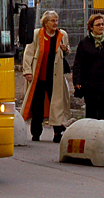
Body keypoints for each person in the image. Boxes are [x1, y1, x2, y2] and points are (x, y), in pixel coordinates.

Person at [21, 10, 71, 142]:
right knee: (37, 105)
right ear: (45, 22)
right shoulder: (37, 34)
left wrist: (66, 49)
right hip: (39, 76)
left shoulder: (62, 35)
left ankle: (57, 133)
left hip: (55, 77)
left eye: (56, 20)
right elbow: (28, 53)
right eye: (52, 21)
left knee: (57, 104)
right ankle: (36, 133)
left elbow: (66, 52)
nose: (55, 23)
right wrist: (27, 71)